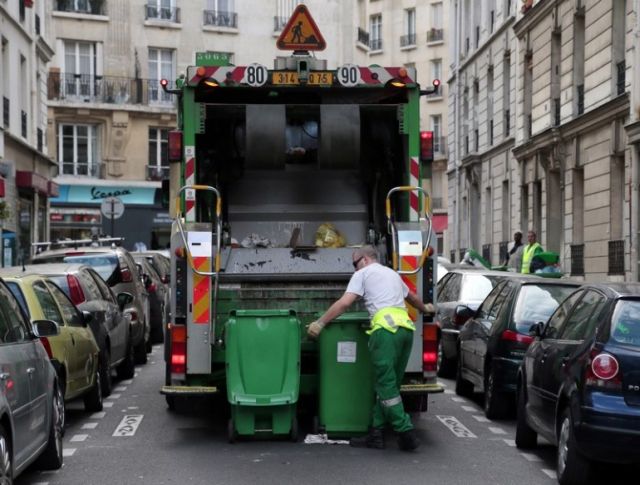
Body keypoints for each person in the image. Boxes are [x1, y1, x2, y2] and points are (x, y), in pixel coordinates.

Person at [307, 245, 435, 451]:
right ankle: (376, 433)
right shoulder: (392, 273)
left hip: (385, 332)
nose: (354, 269)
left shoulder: (363, 274)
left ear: (365, 260)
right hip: (405, 332)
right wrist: (425, 308)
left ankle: (405, 431)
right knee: (389, 386)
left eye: (355, 264)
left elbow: (344, 303)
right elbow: (411, 297)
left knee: (386, 387)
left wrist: (320, 323)